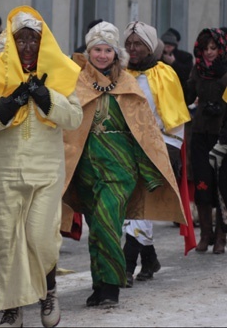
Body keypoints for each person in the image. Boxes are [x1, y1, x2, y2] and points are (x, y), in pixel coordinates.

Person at [0, 5, 82, 327]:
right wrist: (9, 103)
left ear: (43, 41)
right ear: (12, 43)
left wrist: (45, 95)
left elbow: (74, 117)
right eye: (21, 40)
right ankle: (12, 307)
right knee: (7, 240)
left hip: (46, 171)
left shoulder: (59, 72)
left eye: (34, 40)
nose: (28, 47)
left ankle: (48, 290)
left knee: (40, 237)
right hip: (5, 170)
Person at [63, 21, 185, 309]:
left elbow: (145, 130)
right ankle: (98, 285)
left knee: (107, 224)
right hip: (86, 168)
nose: (102, 55)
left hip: (119, 169)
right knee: (97, 230)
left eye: (108, 50)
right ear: (89, 51)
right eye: (97, 50)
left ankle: (112, 287)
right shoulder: (76, 82)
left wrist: (152, 167)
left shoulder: (127, 84)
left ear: (116, 54)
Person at [121, 21, 191, 285]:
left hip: (156, 148)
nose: (132, 48)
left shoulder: (165, 74)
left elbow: (175, 119)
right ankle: (149, 259)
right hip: (125, 149)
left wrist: (171, 150)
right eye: (129, 43)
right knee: (132, 208)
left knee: (141, 207)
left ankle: (126, 266)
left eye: (138, 43)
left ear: (149, 46)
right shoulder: (120, 73)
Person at [186, 28, 227, 254]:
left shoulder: (225, 70)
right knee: (202, 184)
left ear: (221, 48)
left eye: (213, 48)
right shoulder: (198, 69)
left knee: (221, 187)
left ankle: (221, 236)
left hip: (222, 135)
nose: (209, 53)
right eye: (205, 49)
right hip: (200, 133)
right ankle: (205, 234)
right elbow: (187, 96)